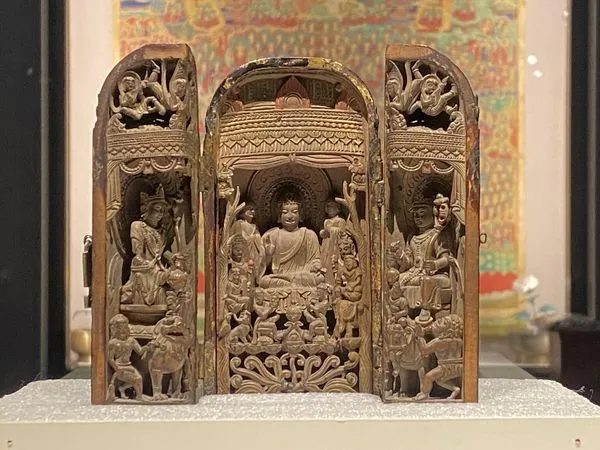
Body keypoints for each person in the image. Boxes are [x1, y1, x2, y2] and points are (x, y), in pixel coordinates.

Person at [258, 198, 322, 288]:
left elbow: (315, 259)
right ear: (279, 216)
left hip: (302, 276)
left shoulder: (309, 235)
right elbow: (260, 269)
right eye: (285, 212)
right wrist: (268, 255)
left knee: (319, 278)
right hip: (279, 277)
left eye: (294, 212)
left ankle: (289, 283)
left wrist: (316, 266)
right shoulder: (271, 235)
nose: (290, 216)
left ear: (300, 215)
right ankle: (291, 283)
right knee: (264, 281)